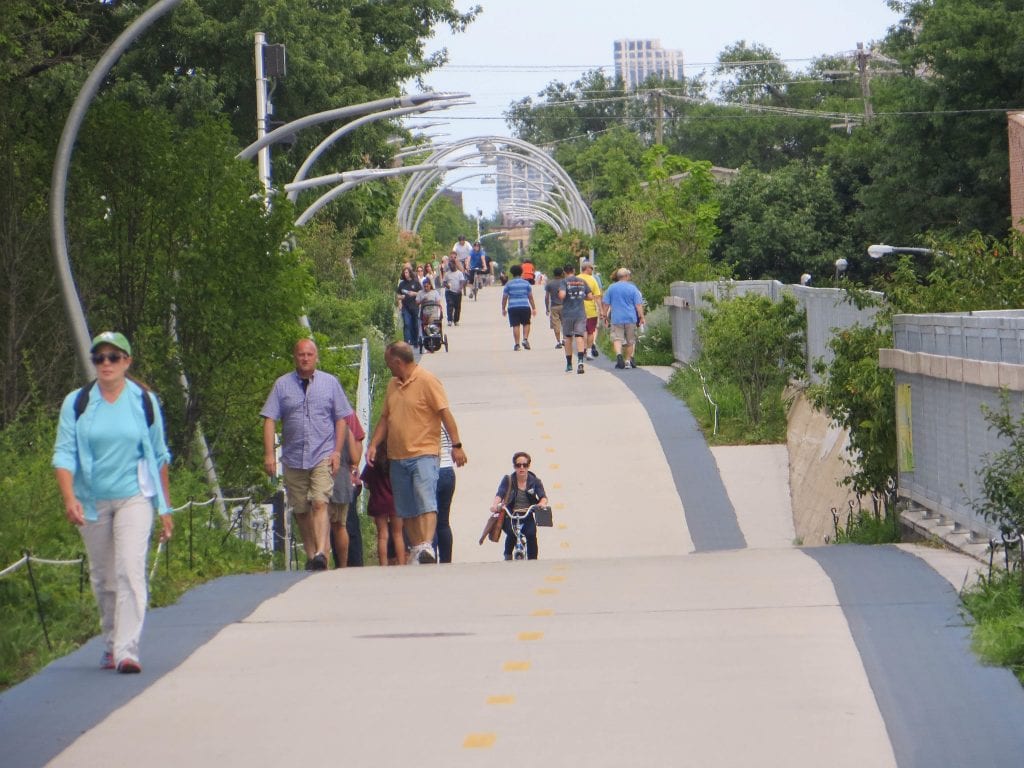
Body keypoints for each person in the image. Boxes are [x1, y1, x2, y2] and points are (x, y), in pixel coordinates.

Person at [52, 331, 173, 674]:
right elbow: (63, 453)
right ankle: (110, 642)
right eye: (99, 358)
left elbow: (159, 454)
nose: (106, 364)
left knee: (130, 570)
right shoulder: (77, 403)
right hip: (92, 500)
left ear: (127, 362)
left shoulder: (144, 401)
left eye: (113, 357)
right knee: (104, 578)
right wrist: (69, 497)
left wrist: (164, 507)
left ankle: (127, 650)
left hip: (135, 496)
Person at [366, 342, 468, 565]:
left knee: (426, 500)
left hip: (424, 452)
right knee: (406, 506)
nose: (388, 367)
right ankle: (418, 547)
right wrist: (373, 444)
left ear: (397, 362)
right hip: (397, 456)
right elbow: (385, 418)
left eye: (388, 363)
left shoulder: (427, 380)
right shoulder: (393, 385)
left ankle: (427, 546)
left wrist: (456, 445)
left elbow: (444, 413)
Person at [262, 338, 353, 571]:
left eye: (309, 354)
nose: (305, 358)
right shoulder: (282, 385)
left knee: (320, 502)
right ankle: (312, 554)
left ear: (316, 357)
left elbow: (342, 418)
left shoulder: (330, 383)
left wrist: (336, 451)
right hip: (293, 457)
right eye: (301, 354)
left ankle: (322, 551)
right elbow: (270, 418)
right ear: (295, 357)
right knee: (301, 509)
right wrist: (269, 454)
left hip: (322, 453)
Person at [489, 452, 548, 560]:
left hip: (527, 514)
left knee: (531, 534)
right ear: (514, 466)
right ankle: (507, 556)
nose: (521, 468)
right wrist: (495, 505)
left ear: (528, 466)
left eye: (524, 465)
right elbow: (500, 493)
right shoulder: (508, 480)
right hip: (511, 514)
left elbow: (543, 496)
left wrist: (541, 504)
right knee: (512, 533)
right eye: (518, 465)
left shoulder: (535, 481)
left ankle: (533, 560)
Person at [360, 442, 405, 565]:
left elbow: (366, 483)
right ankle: (401, 563)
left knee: (382, 535)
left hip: (379, 501)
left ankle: (383, 564)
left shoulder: (372, 462)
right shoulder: (395, 461)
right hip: (396, 501)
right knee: (398, 534)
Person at [327, 416, 362, 568]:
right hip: (342, 478)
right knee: (341, 525)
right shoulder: (347, 423)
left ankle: (322, 563)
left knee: (322, 525)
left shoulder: (317, 422)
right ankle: (343, 565)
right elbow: (355, 457)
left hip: (319, 477)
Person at [602, 267, 646, 370]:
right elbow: (638, 305)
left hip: (616, 318)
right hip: (630, 318)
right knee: (630, 341)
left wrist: (604, 315)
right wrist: (641, 316)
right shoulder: (632, 288)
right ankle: (627, 361)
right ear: (626, 276)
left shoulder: (611, 288)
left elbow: (606, 304)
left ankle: (618, 355)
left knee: (617, 338)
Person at [559, 263, 592, 374]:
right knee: (579, 336)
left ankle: (569, 364)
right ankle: (580, 361)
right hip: (580, 313)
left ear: (564, 272)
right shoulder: (581, 281)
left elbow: (562, 295)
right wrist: (580, 296)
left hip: (568, 314)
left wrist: (562, 294)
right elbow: (590, 296)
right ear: (573, 270)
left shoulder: (564, 282)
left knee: (568, 338)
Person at [434, 426, 457, 563]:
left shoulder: (424, 419)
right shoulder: (445, 422)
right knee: (443, 522)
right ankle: (446, 561)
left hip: (433, 470)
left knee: (429, 521)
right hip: (448, 470)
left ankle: (430, 559)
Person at [501, 263, 537, 351]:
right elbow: (530, 297)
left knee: (515, 325)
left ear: (512, 273)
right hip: (524, 306)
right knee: (526, 323)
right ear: (521, 273)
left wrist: (503, 308)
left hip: (513, 307)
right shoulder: (526, 283)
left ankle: (517, 345)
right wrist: (534, 308)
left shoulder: (508, 284)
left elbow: (504, 298)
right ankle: (525, 339)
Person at [579, 260, 603, 358]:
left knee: (582, 331)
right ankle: (588, 352)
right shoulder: (593, 280)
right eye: (591, 268)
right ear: (587, 268)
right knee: (590, 331)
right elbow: (597, 297)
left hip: (578, 310)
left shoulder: (576, 278)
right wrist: (601, 310)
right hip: (590, 310)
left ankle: (583, 348)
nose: (592, 270)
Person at [396, 266, 421, 345]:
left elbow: (421, 293)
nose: (405, 274)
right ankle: (407, 341)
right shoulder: (402, 284)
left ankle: (415, 340)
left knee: (415, 324)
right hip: (405, 307)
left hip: (414, 306)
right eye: (404, 273)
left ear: (410, 273)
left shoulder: (415, 282)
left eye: (407, 272)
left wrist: (414, 293)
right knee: (407, 324)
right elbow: (397, 295)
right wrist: (400, 297)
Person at [544, 265, 565, 349]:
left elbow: (546, 297)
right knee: (565, 323)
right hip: (565, 306)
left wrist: (547, 308)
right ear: (562, 273)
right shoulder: (565, 282)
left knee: (556, 325)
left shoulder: (550, 283)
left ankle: (558, 342)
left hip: (554, 307)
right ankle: (565, 339)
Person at [441, 259, 467, 326]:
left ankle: (456, 320)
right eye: (449, 265)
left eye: (451, 265)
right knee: (450, 305)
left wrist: (460, 288)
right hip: (449, 292)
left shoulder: (459, 273)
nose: (450, 266)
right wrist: (447, 286)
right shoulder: (447, 274)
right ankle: (449, 320)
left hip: (457, 292)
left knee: (457, 307)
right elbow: (444, 283)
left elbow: (462, 281)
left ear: (455, 265)